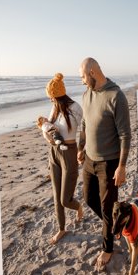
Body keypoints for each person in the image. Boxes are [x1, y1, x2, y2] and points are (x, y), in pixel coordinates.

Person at [77, 57, 131, 269]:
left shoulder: (116, 96)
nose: (81, 81)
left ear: (92, 72)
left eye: (82, 76)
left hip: (109, 163)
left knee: (107, 209)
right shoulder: (86, 94)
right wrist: (81, 148)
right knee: (89, 199)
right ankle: (115, 225)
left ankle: (107, 248)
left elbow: (126, 135)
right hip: (89, 160)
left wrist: (122, 166)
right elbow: (84, 124)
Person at [44, 72, 83, 244]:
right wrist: (47, 132)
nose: (51, 101)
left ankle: (78, 206)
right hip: (54, 152)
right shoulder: (54, 108)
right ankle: (61, 229)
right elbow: (48, 130)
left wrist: (82, 150)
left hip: (69, 152)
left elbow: (78, 131)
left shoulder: (76, 108)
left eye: (52, 97)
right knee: (56, 195)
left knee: (65, 199)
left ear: (57, 96)